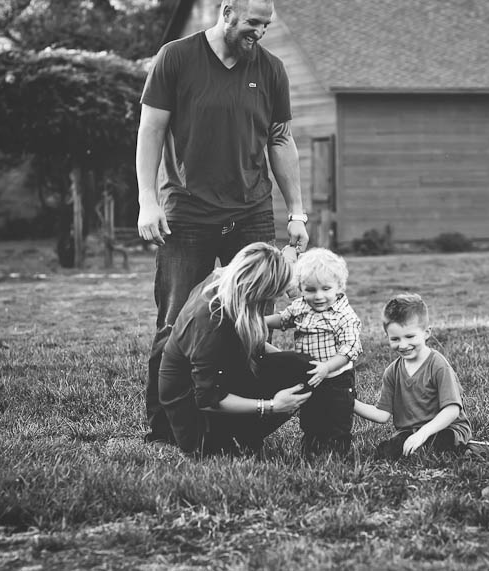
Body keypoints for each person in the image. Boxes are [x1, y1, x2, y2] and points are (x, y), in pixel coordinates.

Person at [135, 0, 309, 443]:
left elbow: (281, 140)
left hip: (250, 210)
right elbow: (151, 129)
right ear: (227, 11)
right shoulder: (176, 57)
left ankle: (241, 420)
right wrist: (147, 200)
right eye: (253, 22)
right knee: (175, 319)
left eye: (266, 25)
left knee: (249, 316)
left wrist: (297, 211)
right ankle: (163, 427)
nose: (260, 32)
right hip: (187, 211)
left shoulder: (270, 69)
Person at [158, 242, 313, 456]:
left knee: (304, 367)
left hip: (226, 376)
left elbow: (252, 346)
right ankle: (232, 441)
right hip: (198, 421)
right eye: (274, 294)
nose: (276, 299)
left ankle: (245, 435)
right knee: (299, 369)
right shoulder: (212, 322)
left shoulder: (226, 284)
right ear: (259, 290)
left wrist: (299, 365)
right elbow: (208, 399)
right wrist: (272, 406)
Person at [265, 248, 362, 456]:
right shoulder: (301, 307)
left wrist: (326, 368)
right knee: (311, 417)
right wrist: (261, 322)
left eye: (326, 289)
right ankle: (311, 447)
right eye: (310, 290)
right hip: (309, 376)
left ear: (339, 287)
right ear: (300, 287)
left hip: (336, 379)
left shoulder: (344, 316)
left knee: (337, 419)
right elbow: (283, 319)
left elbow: (349, 349)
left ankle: (337, 454)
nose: (318, 296)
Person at [354, 294, 472, 459]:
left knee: (441, 442)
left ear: (426, 333)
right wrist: (350, 402)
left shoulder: (438, 365)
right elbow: (382, 415)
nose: (403, 345)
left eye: (410, 336)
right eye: (395, 339)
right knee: (387, 451)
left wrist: (422, 434)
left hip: (446, 428)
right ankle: (414, 444)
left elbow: (452, 410)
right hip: (411, 432)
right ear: (387, 336)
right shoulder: (392, 372)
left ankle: (466, 449)